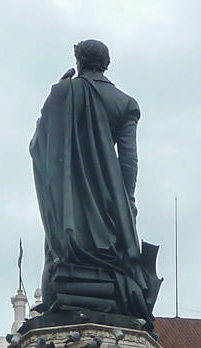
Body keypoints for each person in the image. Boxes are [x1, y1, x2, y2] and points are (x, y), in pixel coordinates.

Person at [29, 38, 159, 320]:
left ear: (78, 61)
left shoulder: (62, 93)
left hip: (68, 200)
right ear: (106, 65)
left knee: (60, 252)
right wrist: (127, 201)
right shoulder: (125, 103)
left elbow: (38, 145)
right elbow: (128, 160)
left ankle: (59, 298)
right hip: (110, 195)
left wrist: (52, 104)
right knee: (114, 258)